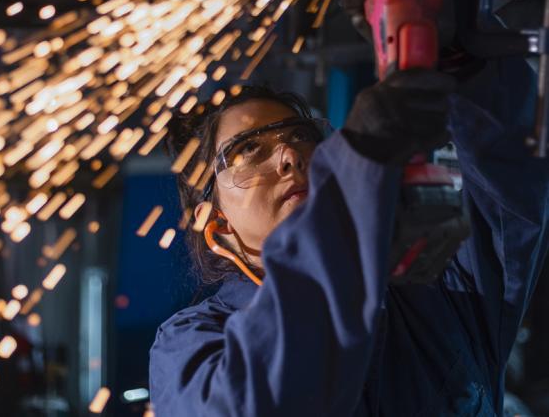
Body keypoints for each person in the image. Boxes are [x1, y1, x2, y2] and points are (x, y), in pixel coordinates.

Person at [149, 53, 548, 415]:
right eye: (248, 150)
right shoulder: (192, 345)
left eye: (300, 135)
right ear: (214, 223)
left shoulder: (438, 292)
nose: (290, 155)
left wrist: (470, 62)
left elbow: (512, 182)